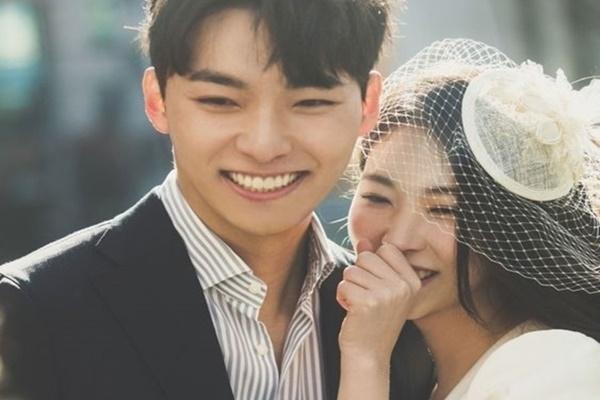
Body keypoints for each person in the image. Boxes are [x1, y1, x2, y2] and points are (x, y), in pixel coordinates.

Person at [0, 1, 435, 399]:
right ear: (157, 100)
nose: (264, 146)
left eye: (309, 102)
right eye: (221, 101)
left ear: (367, 105)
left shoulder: (399, 325)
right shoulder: (36, 309)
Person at [337, 39, 600, 399]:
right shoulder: (421, 376)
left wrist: (366, 359)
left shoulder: (553, 366)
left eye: (444, 209)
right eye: (377, 198)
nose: (399, 239)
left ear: (511, 226)